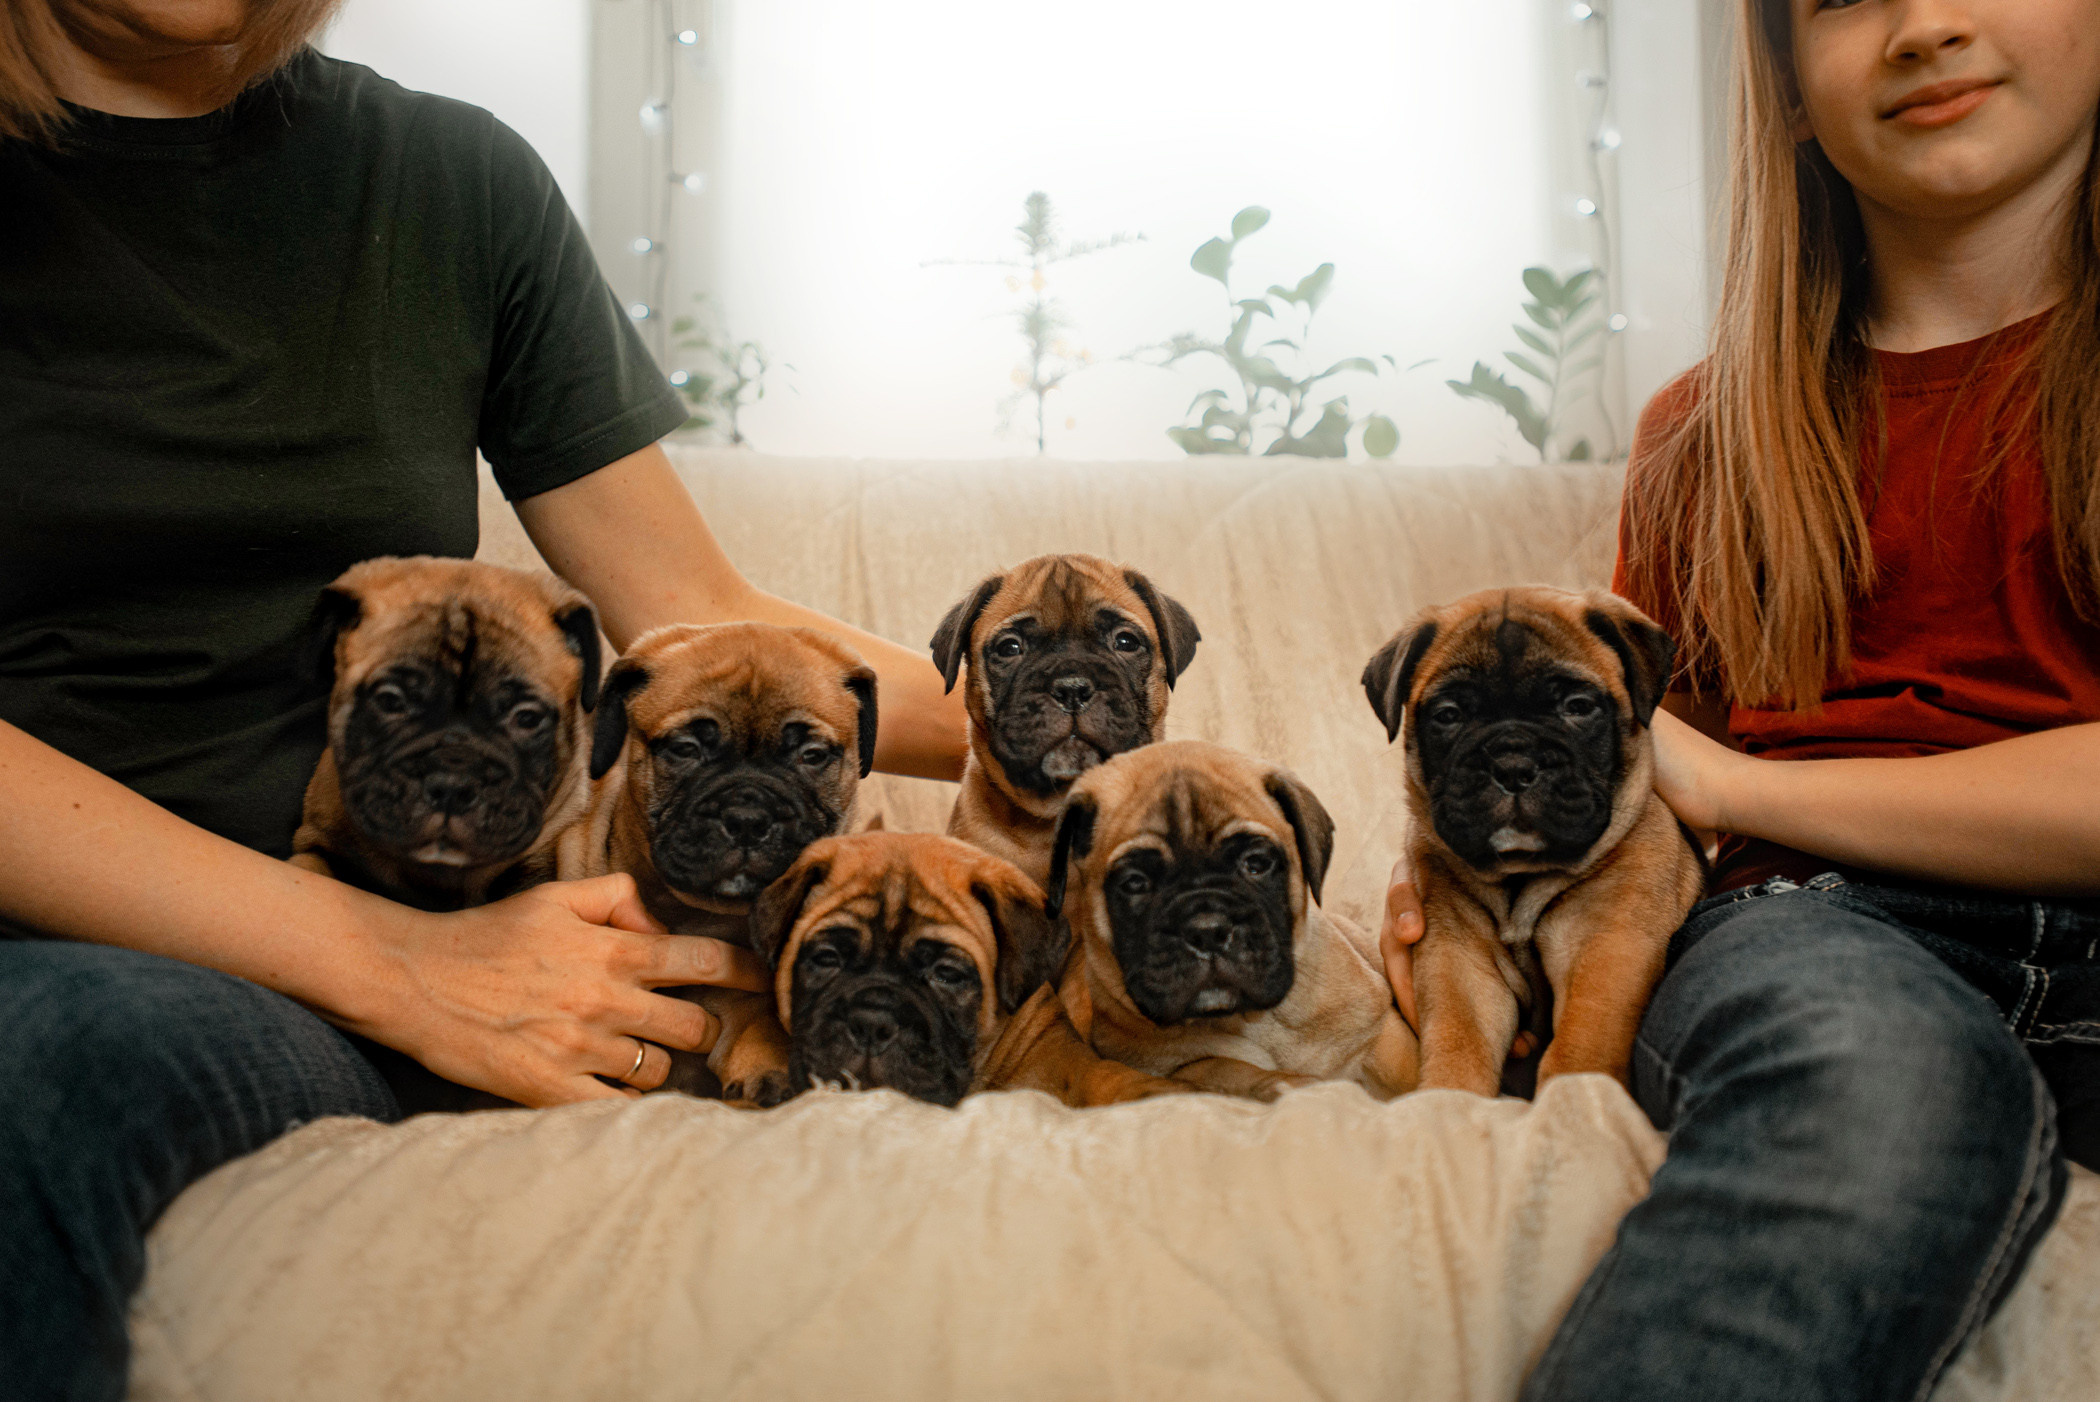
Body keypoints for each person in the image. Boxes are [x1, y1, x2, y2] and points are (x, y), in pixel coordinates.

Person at [0, 2, 966, 1397]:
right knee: (43, 1056)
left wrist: (1088, 728)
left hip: (341, 975)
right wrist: (396, 962)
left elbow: (700, 616)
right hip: (92, 957)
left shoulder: (449, 180)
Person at [1381, 2, 2100, 1399]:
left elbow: (1691, 774)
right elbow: (1615, 830)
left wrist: (1740, 781)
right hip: (1803, 927)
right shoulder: (1698, 439)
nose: (1923, 26)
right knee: (1880, 1088)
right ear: (1778, 86)